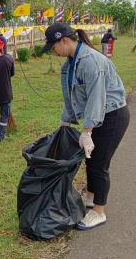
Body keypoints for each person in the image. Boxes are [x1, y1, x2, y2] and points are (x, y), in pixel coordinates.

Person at [42, 23, 130, 230]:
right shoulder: (71, 63)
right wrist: (66, 120)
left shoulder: (91, 61)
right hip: (99, 114)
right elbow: (72, 96)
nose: (53, 52)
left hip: (112, 116)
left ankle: (99, 211)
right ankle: (91, 198)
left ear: (64, 40)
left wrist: (87, 131)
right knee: (90, 160)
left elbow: (96, 99)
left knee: (99, 163)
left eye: (53, 47)